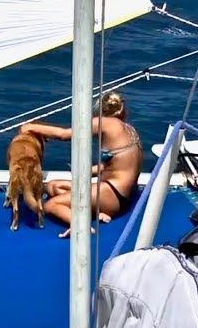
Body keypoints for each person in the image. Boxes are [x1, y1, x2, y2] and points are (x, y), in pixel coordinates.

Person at [18, 91, 142, 238]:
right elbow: (115, 166)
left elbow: (64, 134)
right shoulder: (130, 130)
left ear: (102, 111)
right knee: (52, 186)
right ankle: (98, 211)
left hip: (112, 193)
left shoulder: (105, 122)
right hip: (120, 195)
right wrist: (88, 171)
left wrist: (30, 127)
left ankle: (80, 227)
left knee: (50, 205)